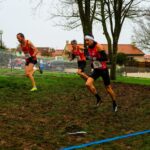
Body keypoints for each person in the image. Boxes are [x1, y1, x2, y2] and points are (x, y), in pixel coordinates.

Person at [85, 34, 118, 112]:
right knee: (88, 84)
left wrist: (96, 58)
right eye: (85, 40)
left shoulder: (99, 46)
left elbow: (105, 58)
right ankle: (99, 99)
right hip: (96, 70)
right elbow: (92, 58)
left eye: (87, 40)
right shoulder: (88, 48)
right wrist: (92, 63)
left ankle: (114, 103)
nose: (86, 42)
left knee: (108, 89)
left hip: (103, 70)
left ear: (92, 40)